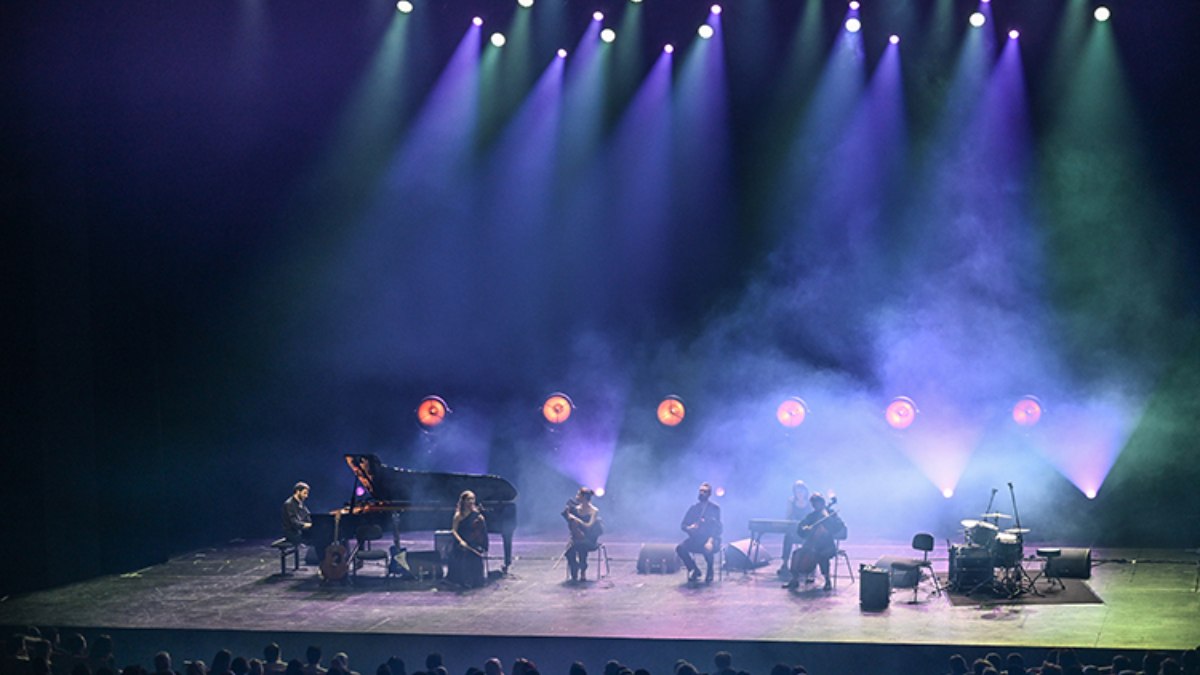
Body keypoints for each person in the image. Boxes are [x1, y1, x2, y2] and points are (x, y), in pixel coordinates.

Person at [782, 492, 846, 591]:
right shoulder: (812, 516)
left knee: (822, 556)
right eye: (814, 504)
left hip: (827, 546)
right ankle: (795, 580)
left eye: (818, 503)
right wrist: (805, 528)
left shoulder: (831, 514)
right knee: (796, 554)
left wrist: (827, 519)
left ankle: (827, 581)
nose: (816, 505)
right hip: (811, 545)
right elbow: (801, 528)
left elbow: (838, 527)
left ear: (822, 503)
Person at [676, 482, 722, 583]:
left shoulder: (714, 508)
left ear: (709, 494)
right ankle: (694, 569)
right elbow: (683, 525)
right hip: (696, 539)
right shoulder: (694, 508)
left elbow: (717, 528)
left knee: (707, 548)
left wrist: (710, 541)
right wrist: (689, 528)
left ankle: (710, 571)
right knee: (680, 548)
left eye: (704, 491)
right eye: (700, 491)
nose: (701, 493)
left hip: (711, 538)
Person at [446, 490, 488, 588]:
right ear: (463, 501)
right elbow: (454, 530)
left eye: (473, 499)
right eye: (469, 499)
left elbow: (481, 532)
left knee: (475, 554)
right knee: (463, 554)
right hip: (461, 542)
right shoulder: (458, 515)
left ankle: (476, 580)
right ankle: (462, 581)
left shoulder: (477, 515)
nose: (471, 501)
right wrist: (461, 541)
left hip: (473, 543)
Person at [562, 487, 602, 582]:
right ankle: (575, 568)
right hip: (578, 538)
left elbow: (588, 525)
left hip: (590, 538)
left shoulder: (594, 510)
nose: (576, 496)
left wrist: (576, 519)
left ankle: (582, 570)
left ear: (584, 497)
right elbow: (572, 525)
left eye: (578, 495)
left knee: (582, 547)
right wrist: (568, 517)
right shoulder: (575, 509)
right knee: (569, 553)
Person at [778, 480, 813, 576]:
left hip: (806, 532)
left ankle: (808, 565)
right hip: (795, 531)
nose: (800, 493)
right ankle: (785, 563)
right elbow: (788, 516)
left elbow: (812, 517)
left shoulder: (810, 502)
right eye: (797, 491)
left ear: (805, 491)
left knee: (809, 540)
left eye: (801, 491)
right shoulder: (791, 501)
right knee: (788, 537)